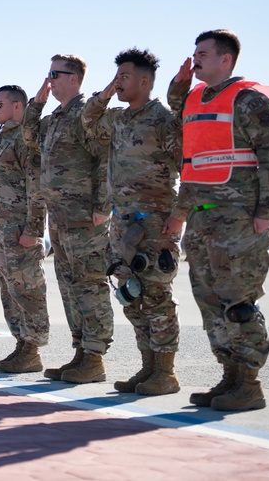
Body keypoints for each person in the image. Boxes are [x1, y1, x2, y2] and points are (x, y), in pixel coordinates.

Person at [165, 30, 269, 411]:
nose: (195, 58)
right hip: (202, 223)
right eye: (194, 53)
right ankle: (230, 377)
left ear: (226, 60)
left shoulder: (247, 100)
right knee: (210, 303)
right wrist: (179, 217)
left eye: (203, 53)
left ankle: (249, 383)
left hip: (238, 221)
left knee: (238, 302)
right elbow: (192, 164)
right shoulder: (193, 101)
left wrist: (267, 211)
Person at [81, 48, 183, 395]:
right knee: (130, 296)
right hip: (122, 224)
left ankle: (166, 372)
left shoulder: (163, 120)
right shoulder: (118, 119)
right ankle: (148, 367)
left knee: (156, 296)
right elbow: (88, 121)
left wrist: (178, 217)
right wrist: (108, 91)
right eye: (117, 76)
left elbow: (188, 168)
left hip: (155, 225)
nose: (118, 81)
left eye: (124, 76)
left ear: (144, 80)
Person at [22, 54, 112, 383]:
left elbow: (105, 158)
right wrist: (36, 105)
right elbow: (29, 139)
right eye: (48, 74)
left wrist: (103, 205)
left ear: (73, 78)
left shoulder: (87, 114)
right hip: (59, 218)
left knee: (90, 287)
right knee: (70, 288)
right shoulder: (55, 117)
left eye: (54, 74)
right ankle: (81, 353)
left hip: (85, 216)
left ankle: (95, 357)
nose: (49, 80)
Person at [0, 85, 48, 373]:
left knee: (28, 288)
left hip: (20, 226)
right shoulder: (2, 137)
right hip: (1, 225)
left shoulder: (26, 139)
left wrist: (33, 229)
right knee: (9, 289)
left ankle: (32, 348)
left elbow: (36, 186)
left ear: (18, 107)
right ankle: (22, 345)